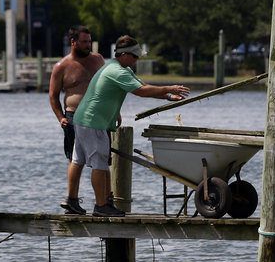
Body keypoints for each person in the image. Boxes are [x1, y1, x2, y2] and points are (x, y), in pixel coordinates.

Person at [71, 34, 189, 217]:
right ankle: (101, 206)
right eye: (134, 56)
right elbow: (141, 91)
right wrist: (168, 88)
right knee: (99, 163)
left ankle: (74, 201)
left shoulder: (115, 66)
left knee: (79, 160)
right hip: (93, 121)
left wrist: (167, 97)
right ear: (124, 54)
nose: (137, 59)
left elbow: (142, 85)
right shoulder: (118, 71)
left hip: (84, 119)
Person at [48, 26, 105, 214]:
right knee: (75, 160)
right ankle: (72, 200)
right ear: (73, 42)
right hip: (73, 117)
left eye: (89, 41)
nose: (88, 45)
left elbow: (106, 88)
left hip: (98, 116)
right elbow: (53, 96)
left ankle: (106, 199)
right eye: (84, 42)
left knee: (103, 158)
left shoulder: (97, 60)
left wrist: (114, 112)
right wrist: (60, 118)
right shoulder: (61, 66)